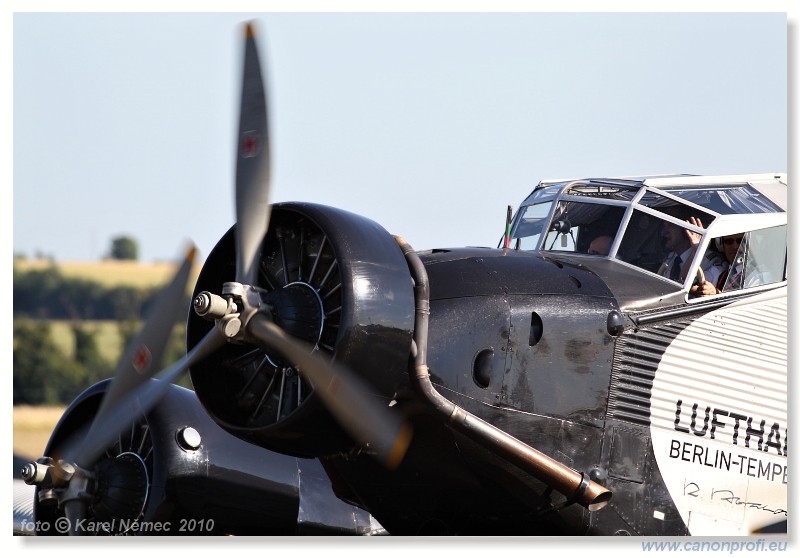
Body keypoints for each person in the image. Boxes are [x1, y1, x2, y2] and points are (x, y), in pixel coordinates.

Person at [658, 215, 724, 291]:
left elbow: (687, 285)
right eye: (664, 226)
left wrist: (696, 251)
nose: (663, 232)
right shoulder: (671, 257)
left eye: (670, 225)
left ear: (686, 231)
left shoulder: (711, 262)